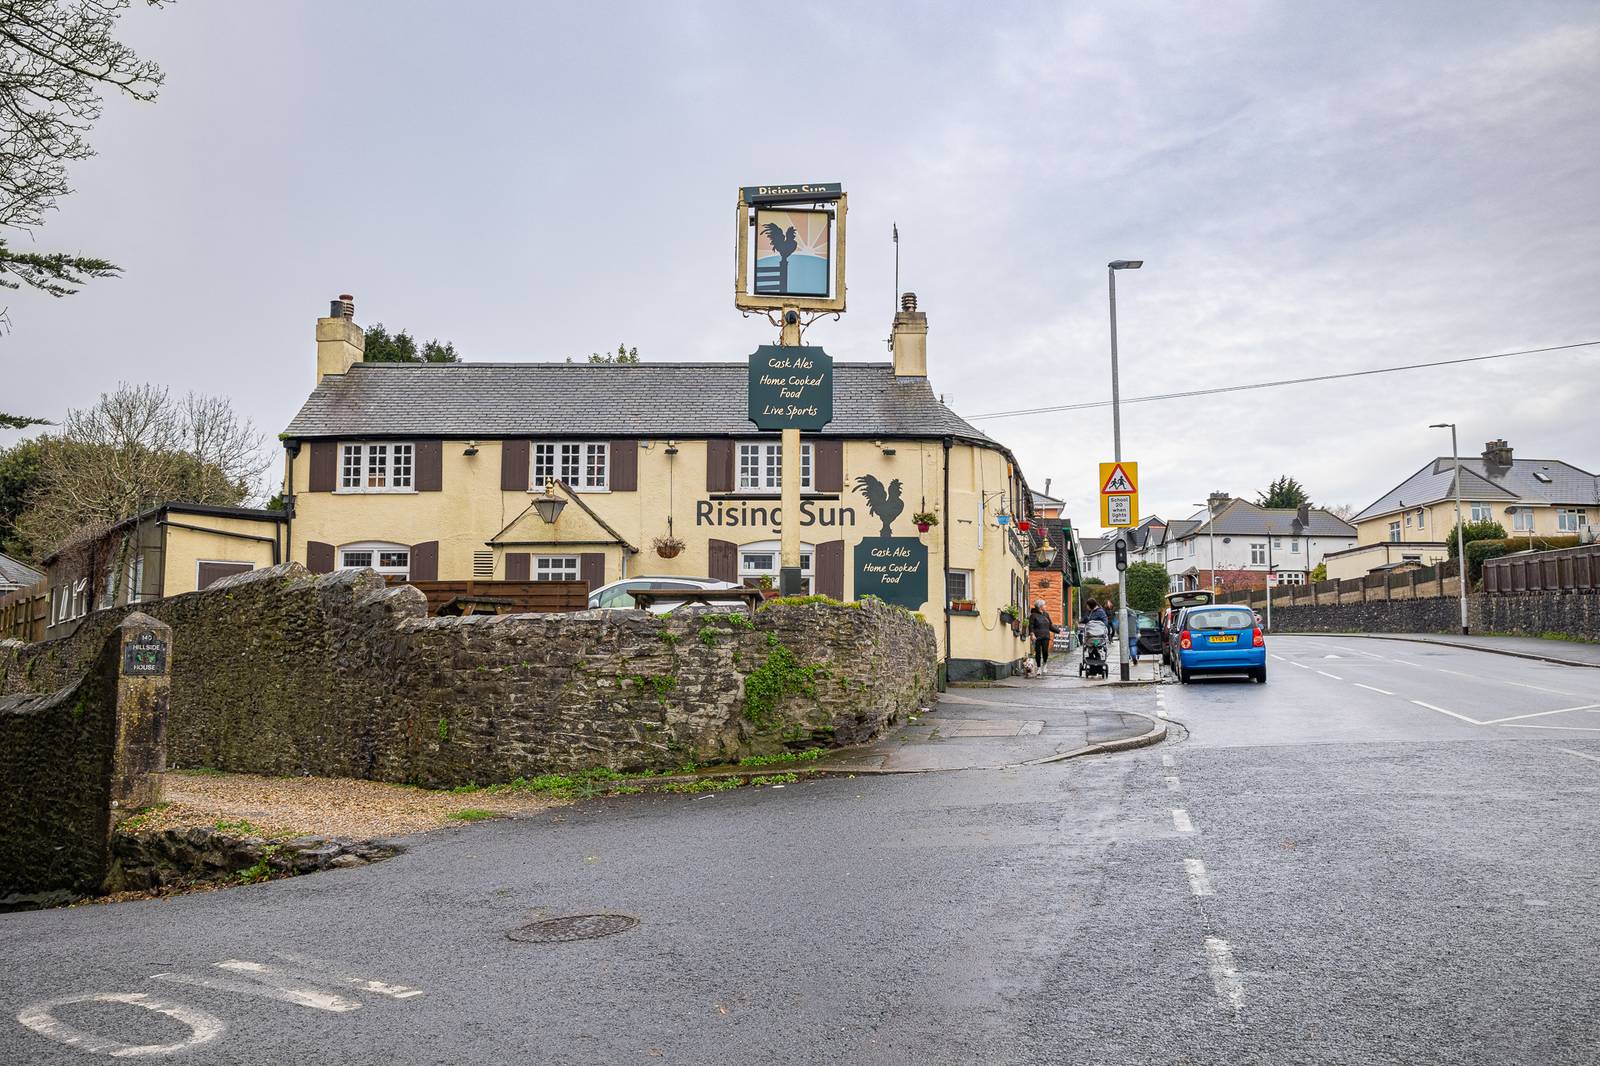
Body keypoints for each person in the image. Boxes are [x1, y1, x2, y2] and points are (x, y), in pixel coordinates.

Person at [1027, 599, 1055, 675]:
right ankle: (1039, 667)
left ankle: (1045, 664)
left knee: (1045, 652)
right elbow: (1031, 626)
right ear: (1040, 607)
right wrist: (1032, 634)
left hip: (1046, 636)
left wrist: (1058, 631)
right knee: (1038, 652)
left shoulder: (1046, 614)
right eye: (1044, 605)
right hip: (1037, 637)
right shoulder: (1033, 615)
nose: (1045, 606)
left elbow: (1050, 626)